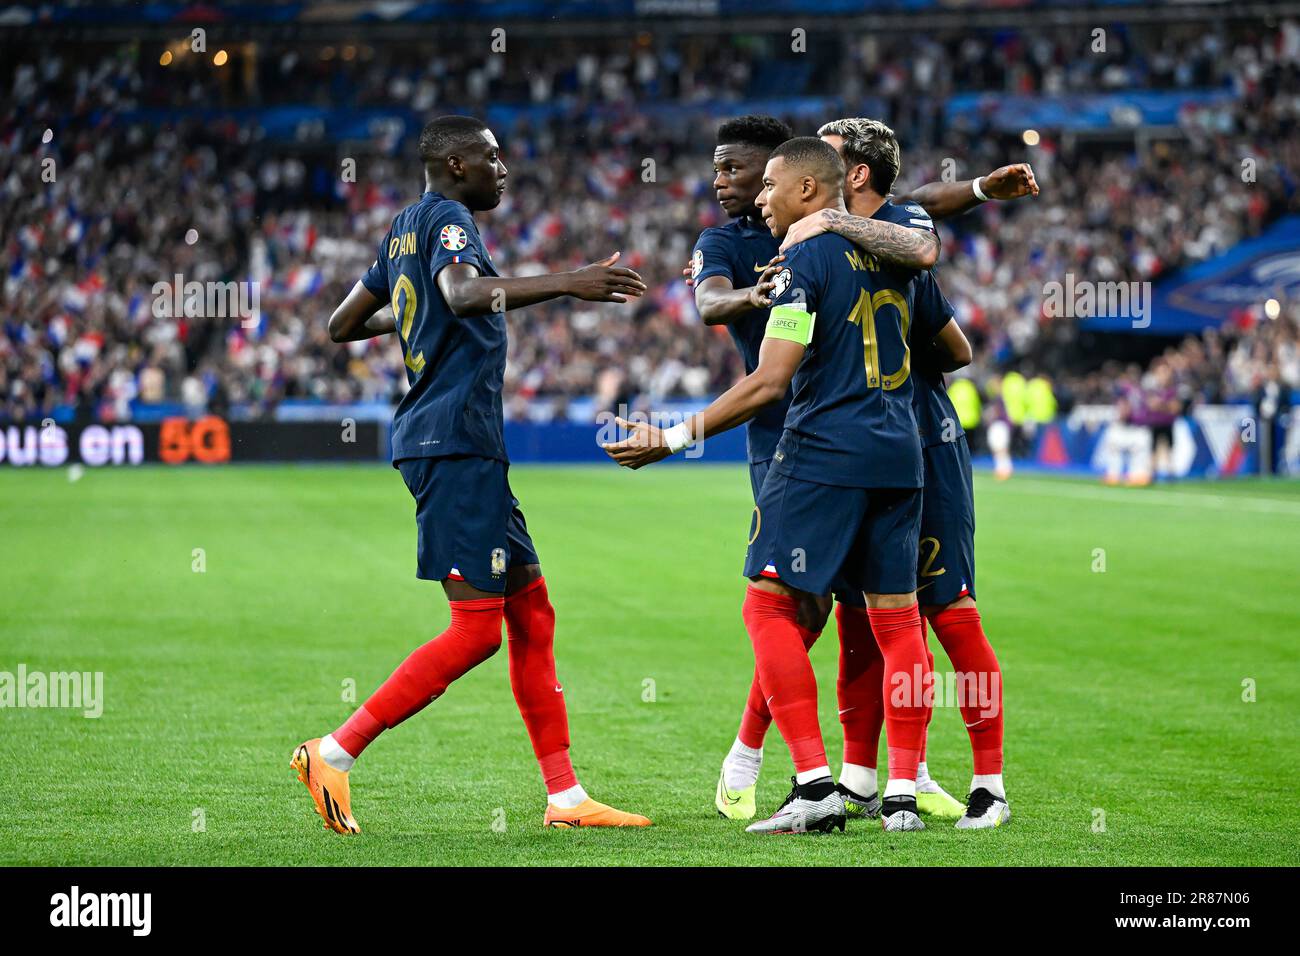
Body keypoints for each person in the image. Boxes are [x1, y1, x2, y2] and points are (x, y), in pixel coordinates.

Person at [292, 115, 652, 833]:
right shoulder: (450, 219)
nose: (503, 168)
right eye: (492, 157)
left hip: (456, 442)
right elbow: (459, 294)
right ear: (455, 164)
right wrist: (569, 282)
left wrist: (411, 312)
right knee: (477, 630)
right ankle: (333, 750)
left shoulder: (401, 228)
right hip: (453, 441)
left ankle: (565, 797)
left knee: (532, 611)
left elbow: (341, 324)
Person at [607, 137, 956, 832]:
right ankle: (901, 797)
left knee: (768, 609)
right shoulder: (897, 257)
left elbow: (770, 383)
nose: (759, 197)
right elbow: (953, 348)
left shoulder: (801, 260)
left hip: (823, 455)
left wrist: (672, 439)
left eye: (770, 184)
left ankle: (814, 786)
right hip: (900, 457)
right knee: (897, 622)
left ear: (807, 191)